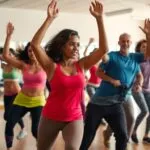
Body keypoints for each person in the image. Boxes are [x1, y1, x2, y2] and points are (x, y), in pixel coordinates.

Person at [31, 0, 108, 149]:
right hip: (50, 116)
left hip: (74, 117)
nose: (76, 48)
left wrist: (99, 19)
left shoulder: (82, 65)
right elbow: (35, 45)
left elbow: (103, 49)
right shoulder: (51, 66)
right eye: (72, 44)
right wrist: (49, 19)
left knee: (73, 148)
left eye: (78, 44)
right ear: (62, 46)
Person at [79, 17, 150, 150]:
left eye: (128, 41)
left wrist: (148, 35)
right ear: (119, 42)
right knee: (88, 135)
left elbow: (147, 56)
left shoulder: (135, 58)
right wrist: (111, 80)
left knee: (122, 136)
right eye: (123, 41)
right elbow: (99, 72)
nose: (125, 43)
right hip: (98, 103)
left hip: (116, 103)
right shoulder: (112, 55)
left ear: (130, 43)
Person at [3, 22, 47, 150]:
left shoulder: (46, 65)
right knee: (9, 123)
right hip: (22, 99)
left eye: (34, 50)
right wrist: (8, 36)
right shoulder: (24, 65)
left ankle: (44, 147)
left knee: (35, 130)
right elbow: (5, 56)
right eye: (29, 51)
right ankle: (9, 148)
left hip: (38, 101)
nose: (31, 53)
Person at [1, 48, 27, 140]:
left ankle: (22, 130)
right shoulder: (3, 66)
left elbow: (21, 59)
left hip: (16, 93)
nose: (7, 56)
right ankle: (22, 129)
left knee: (9, 115)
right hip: (6, 95)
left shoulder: (16, 66)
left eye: (10, 54)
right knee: (6, 116)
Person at [131, 39, 150, 144]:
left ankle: (146, 135)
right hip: (136, 88)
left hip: (147, 89)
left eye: (147, 47)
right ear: (139, 48)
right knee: (145, 111)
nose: (146, 48)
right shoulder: (137, 59)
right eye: (143, 47)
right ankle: (133, 131)